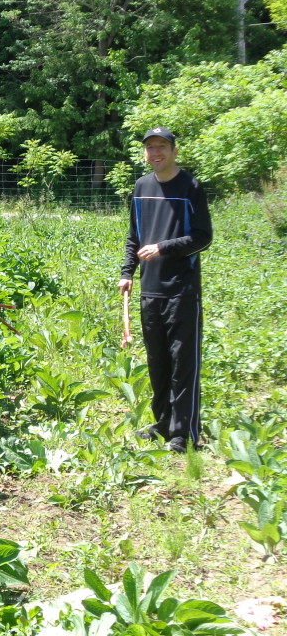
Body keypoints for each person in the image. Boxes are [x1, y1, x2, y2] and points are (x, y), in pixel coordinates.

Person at [119, 126, 212, 454]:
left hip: (182, 290)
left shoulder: (191, 187)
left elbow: (203, 236)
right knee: (158, 361)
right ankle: (162, 423)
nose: (155, 153)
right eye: (150, 148)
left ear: (174, 150)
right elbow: (134, 235)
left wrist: (163, 248)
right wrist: (127, 272)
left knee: (182, 361)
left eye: (161, 147)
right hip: (150, 291)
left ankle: (183, 432)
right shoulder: (141, 186)